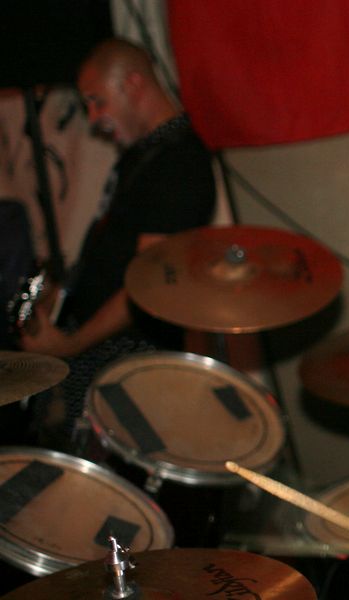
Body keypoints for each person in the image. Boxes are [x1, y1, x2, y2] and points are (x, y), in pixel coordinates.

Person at [18, 38, 215, 444]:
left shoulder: (178, 163)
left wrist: (71, 343)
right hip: (100, 348)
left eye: (98, 101)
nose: (93, 118)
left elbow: (148, 286)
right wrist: (64, 294)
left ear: (133, 84)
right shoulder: (147, 151)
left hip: (125, 357)